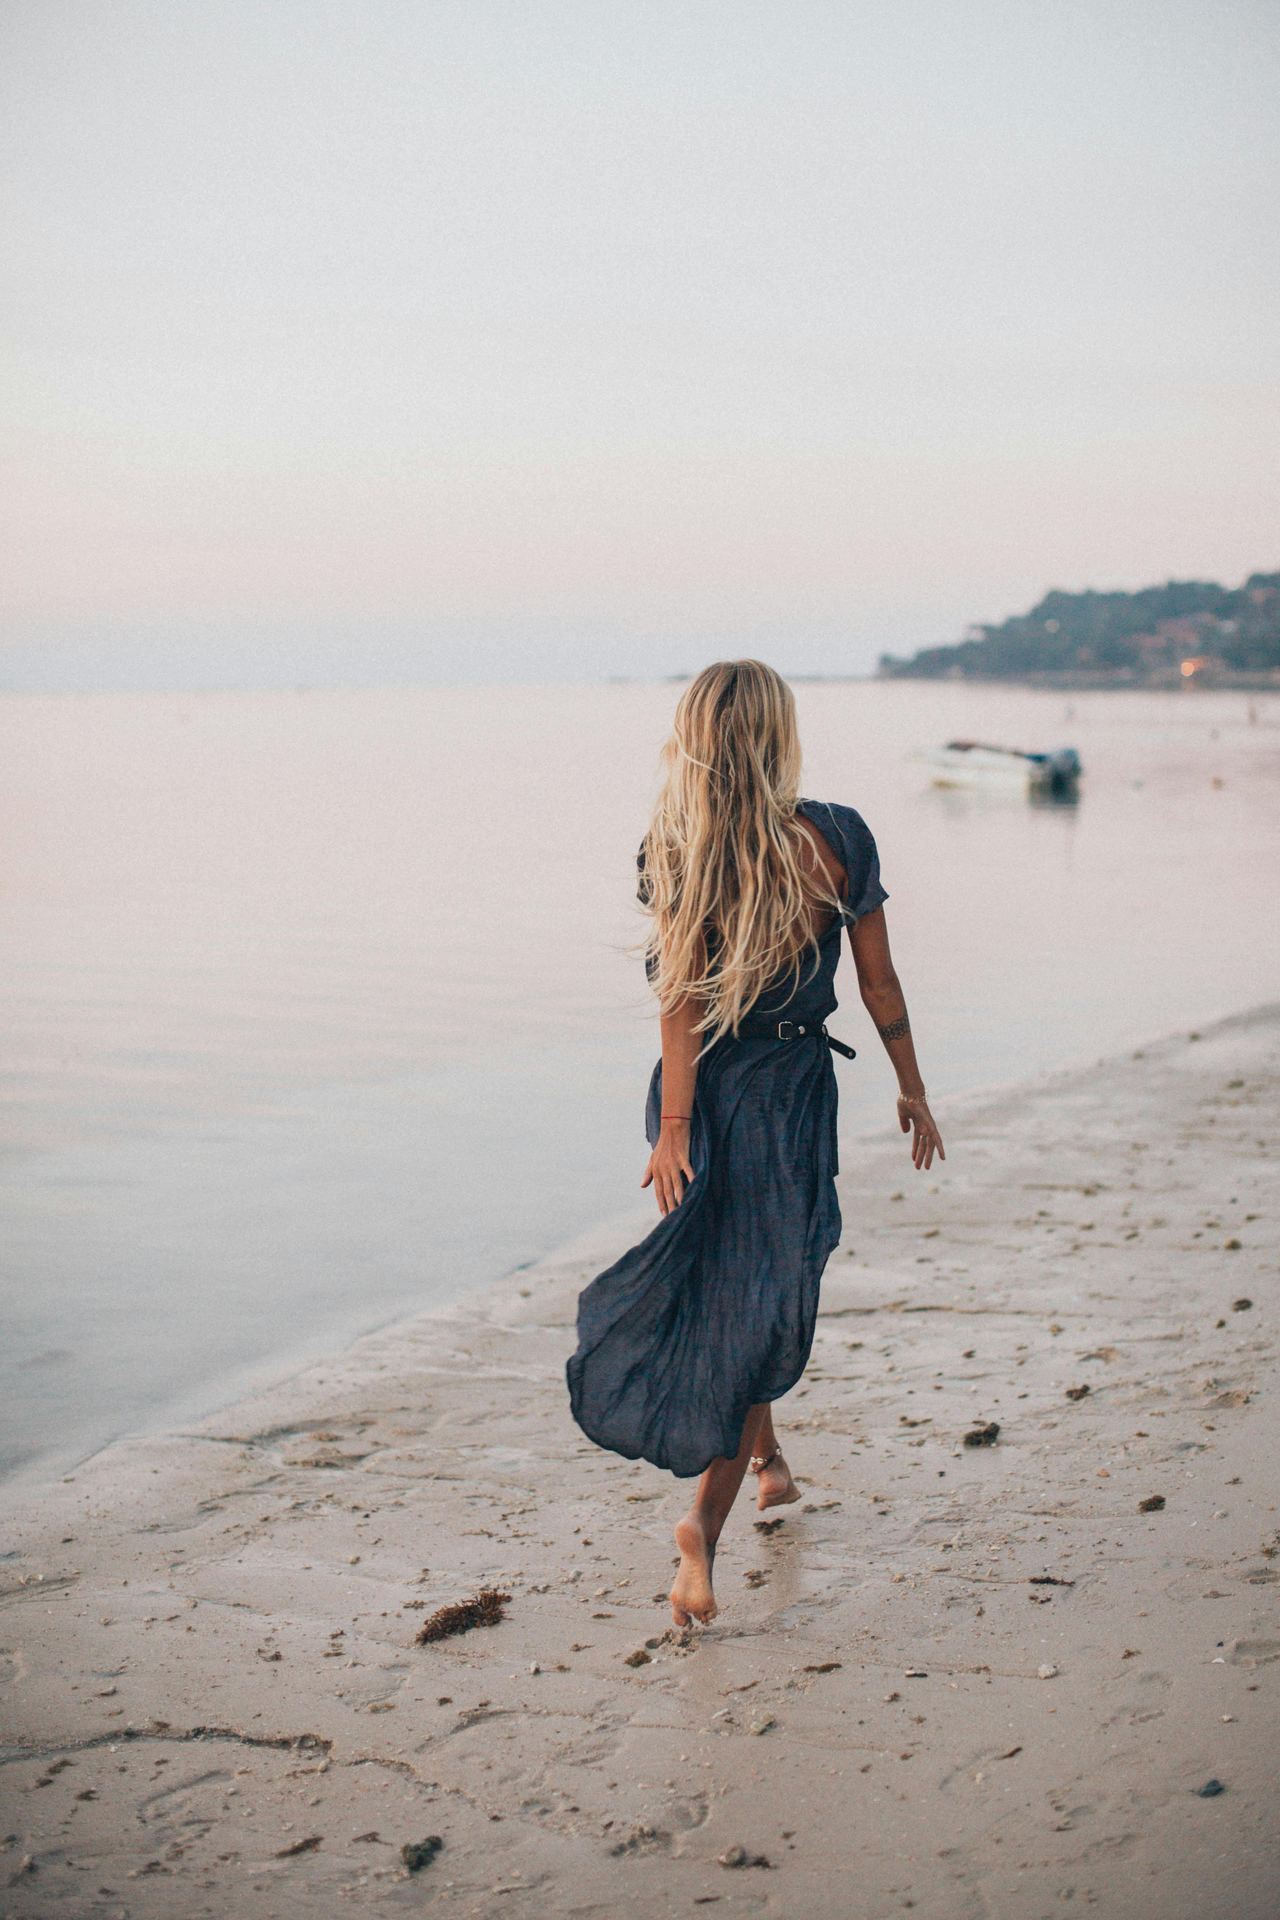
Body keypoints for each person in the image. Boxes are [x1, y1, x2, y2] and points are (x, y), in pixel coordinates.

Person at [565, 660, 944, 1626]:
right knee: (762, 1298)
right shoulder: (837, 836)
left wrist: (674, 1130)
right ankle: (702, 1529)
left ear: (694, 738)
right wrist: (911, 1086)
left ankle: (770, 1461)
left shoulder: (675, 849)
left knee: (743, 1284)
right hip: (785, 1095)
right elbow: (880, 983)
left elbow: (680, 1004)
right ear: (779, 733)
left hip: (696, 1094)